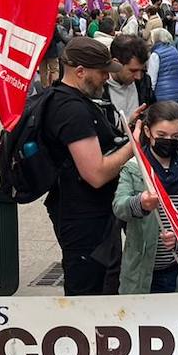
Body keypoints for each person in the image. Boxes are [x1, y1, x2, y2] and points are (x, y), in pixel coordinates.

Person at [41, 38, 138, 295]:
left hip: (87, 213)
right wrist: (134, 145)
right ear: (80, 72)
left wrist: (125, 126)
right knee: (89, 295)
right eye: (102, 72)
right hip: (83, 220)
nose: (107, 78)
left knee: (103, 286)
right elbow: (96, 173)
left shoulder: (66, 99)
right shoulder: (72, 110)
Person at [111, 101, 178, 294]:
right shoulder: (136, 168)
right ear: (147, 131)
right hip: (141, 271)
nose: (168, 140)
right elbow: (119, 206)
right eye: (161, 135)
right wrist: (140, 202)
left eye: (175, 136)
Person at [105, 35, 156, 125]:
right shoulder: (98, 89)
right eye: (133, 70)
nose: (138, 76)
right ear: (115, 63)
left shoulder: (144, 82)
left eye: (142, 70)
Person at [146, 28, 178, 103]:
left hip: (162, 94)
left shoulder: (155, 54)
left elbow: (152, 78)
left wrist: (149, 94)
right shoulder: (174, 50)